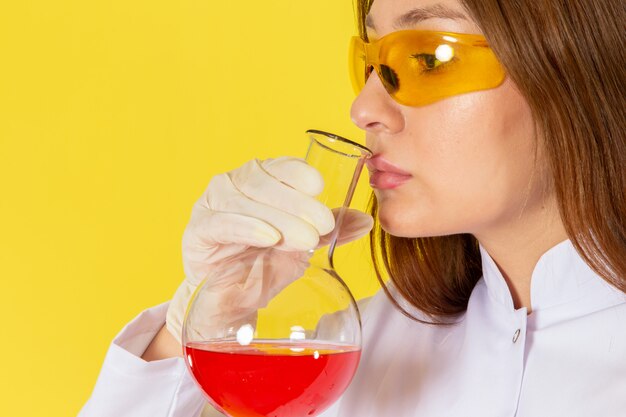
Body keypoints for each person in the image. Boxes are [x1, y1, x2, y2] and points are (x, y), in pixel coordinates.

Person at [79, 0, 626, 415]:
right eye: (369, 61)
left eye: (428, 59)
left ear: (581, 62)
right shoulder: (339, 361)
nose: (364, 107)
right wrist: (187, 332)